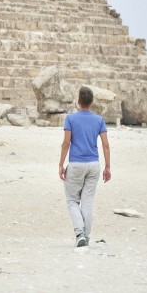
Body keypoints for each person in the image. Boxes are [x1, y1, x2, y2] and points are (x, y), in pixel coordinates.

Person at [58, 85, 111, 247]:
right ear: (91, 101)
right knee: (87, 201)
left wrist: (61, 164)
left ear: (79, 101)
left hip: (76, 164)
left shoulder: (71, 119)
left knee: (72, 201)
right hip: (94, 165)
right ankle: (86, 236)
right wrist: (108, 166)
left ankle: (79, 233)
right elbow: (105, 145)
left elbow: (66, 143)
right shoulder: (99, 120)